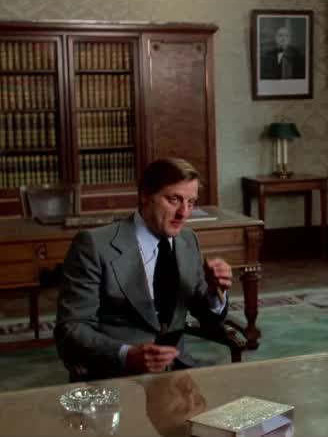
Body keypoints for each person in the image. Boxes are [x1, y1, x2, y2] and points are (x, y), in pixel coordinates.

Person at [55, 158, 233, 380]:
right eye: (174, 199)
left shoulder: (188, 241)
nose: (184, 213)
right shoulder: (95, 245)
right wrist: (126, 354)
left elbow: (208, 319)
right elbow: (72, 329)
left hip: (178, 371)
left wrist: (215, 292)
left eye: (191, 202)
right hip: (116, 374)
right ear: (145, 195)